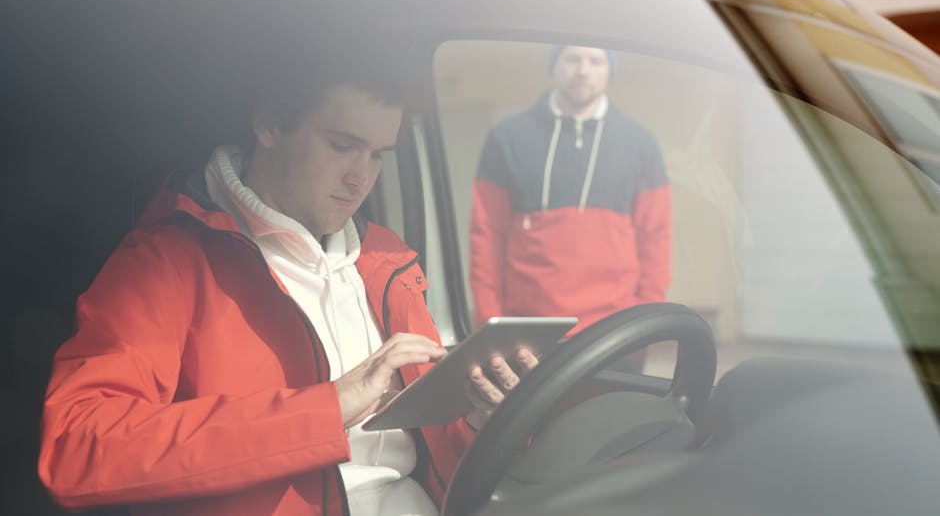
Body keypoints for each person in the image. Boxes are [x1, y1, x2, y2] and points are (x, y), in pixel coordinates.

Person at [38, 58, 536, 516]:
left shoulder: (388, 258)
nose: (360, 178)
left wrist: (482, 422)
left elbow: (433, 450)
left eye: (378, 155)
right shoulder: (167, 260)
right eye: (341, 146)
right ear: (270, 124)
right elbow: (75, 448)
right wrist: (328, 407)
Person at [469, 45, 671, 337]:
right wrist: (490, 321)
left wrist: (646, 324)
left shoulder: (640, 143)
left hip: (617, 333)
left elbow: (656, 236)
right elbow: (486, 235)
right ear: (554, 64)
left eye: (596, 60)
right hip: (527, 332)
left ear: (610, 70)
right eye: (573, 59)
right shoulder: (508, 137)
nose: (583, 70)